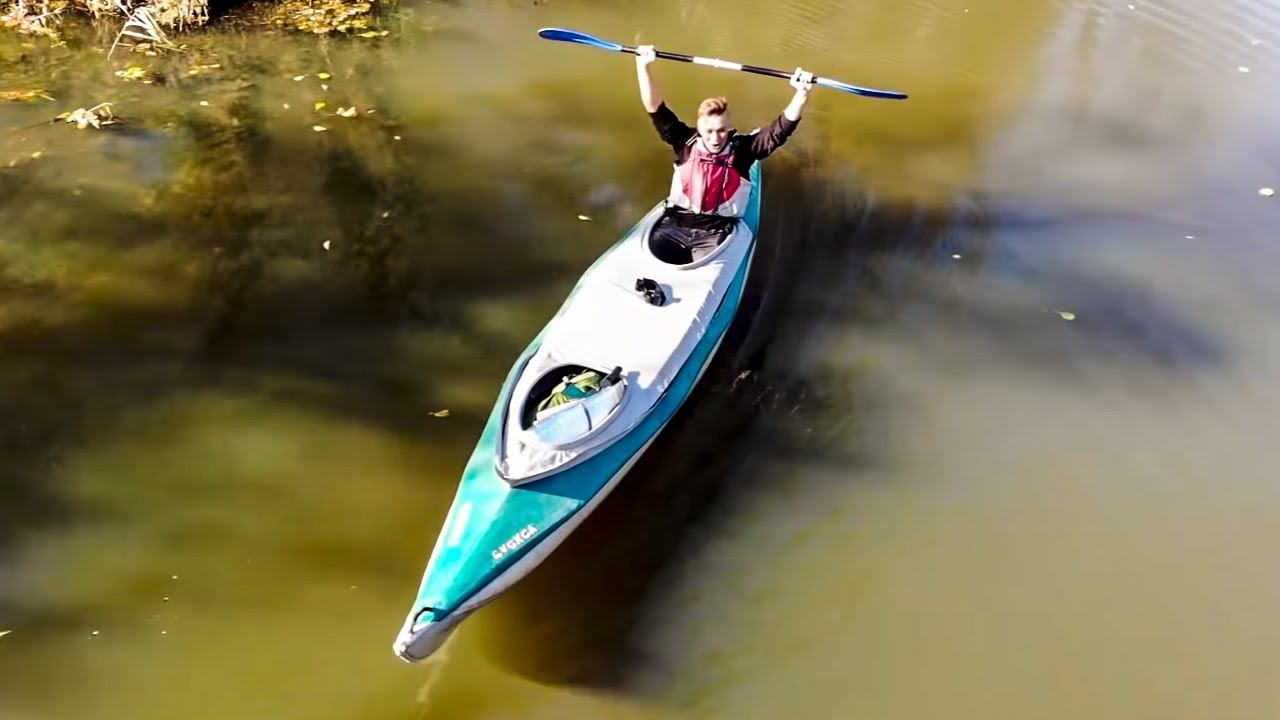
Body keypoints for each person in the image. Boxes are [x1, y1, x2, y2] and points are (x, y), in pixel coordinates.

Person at [635, 44, 814, 264]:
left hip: (716, 235)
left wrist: (801, 94)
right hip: (675, 225)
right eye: (709, 131)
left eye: (721, 130)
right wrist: (643, 66)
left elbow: (779, 131)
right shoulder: (685, 142)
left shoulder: (742, 151)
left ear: (729, 128)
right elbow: (655, 109)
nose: (715, 138)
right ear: (699, 129)